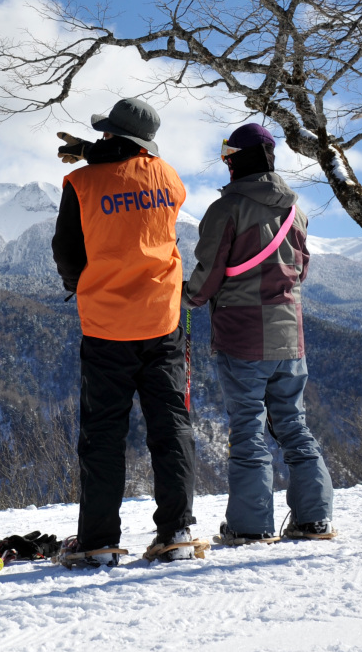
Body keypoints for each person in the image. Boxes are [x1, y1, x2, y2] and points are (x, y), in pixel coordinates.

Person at [51, 97, 198, 565]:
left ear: (112, 135)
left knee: (103, 435)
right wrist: (96, 150)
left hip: (107, 324)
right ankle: (175, 532)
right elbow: (132, 174)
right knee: (171, 427)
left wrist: (82, 286)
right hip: (163, 319)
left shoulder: (80, 183)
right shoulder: (170, 178)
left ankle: (98, 542)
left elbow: (67, 252)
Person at [184, 122, 335, 544]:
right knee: (293, 424)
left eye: (227, 156)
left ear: (236, 161)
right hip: (291, 336)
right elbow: (300, 271)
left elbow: (210, 272)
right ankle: (314, 518)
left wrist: (190, 297)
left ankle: (252, 526)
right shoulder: (295, 211)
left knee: (248, 427)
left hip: (243, 335)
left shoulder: (226, 209)